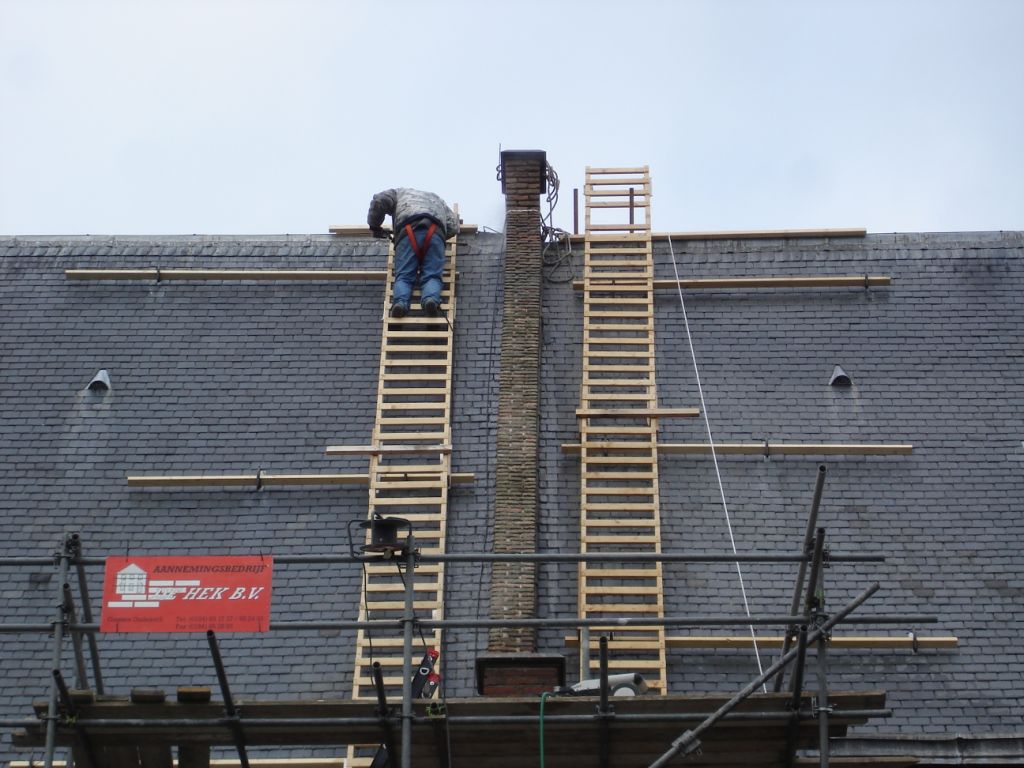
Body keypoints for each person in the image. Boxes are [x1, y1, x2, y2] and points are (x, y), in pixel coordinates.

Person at [367, 188, 460, 318]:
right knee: (432, 275)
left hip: (408, 231)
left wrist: (375, 226)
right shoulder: (437, 199)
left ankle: (400, 304)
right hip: (435, 232)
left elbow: (379, 201)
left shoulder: (397, 193)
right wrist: (439, 238)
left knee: (404, 276)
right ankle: (431, 300)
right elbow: (454, 226)